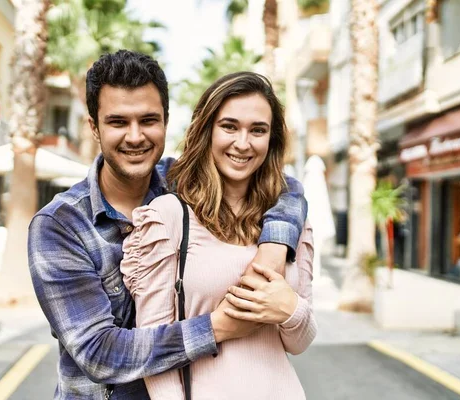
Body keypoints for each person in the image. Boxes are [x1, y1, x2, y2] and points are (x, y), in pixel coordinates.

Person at [27, 51, 307, 399]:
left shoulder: (185, 186)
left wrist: (274, 247)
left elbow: (284, 187)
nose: (135, 137)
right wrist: (218, 327)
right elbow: (98, 353)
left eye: (148, 120)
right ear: (94, 127)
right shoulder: (60, 225)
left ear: (166, 120)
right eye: (118, 122)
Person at [121, 72, 316, 399]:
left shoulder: (292, 221)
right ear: (207, 130)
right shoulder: (169, 216)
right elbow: (154, 350)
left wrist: (290, 310)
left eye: (258, 130)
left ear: (272, 139)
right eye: (229, 127)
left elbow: (299, 342)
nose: (243, 143)